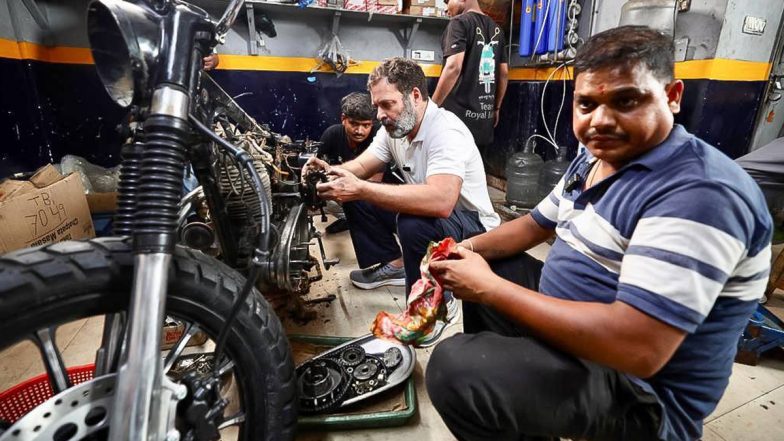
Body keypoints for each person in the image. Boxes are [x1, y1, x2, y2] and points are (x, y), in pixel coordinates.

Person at [425, 26, 772, 441]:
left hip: (641, 393)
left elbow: (639, 351)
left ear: (673, 96)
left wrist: (489, 290)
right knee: (490, 262)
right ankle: (527, 409)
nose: (601, 120)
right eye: (586, 104)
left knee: (455, 369)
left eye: (626, 100)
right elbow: (535, 225)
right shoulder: (594, 156)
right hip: (585, 334)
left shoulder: (700, 192)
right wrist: (463, 250)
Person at [304, 57, 500, 346]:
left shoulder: (446, 131)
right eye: (377, 107)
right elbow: (362, 167)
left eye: (387, 104)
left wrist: (360, 188)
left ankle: (435, 306)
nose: (380, 115)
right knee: (357, 195)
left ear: (415, 96)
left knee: (412, 222)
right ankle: (395, 265)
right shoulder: (394, 130)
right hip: (438, 216)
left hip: (474, 227)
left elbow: (442, 201)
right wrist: (331, 172)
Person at [431, 0, 509, 150]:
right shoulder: (497, 29)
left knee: (451, 170)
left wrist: (431, 108)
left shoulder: (459, 23)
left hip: (455, 125)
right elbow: (504, 73)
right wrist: (496, 108)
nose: (447, 9)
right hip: (484, 122)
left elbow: (453, 67)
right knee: (475, 170)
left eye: (448, 1)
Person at [317, 92, 382, 234]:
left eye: (366, 125)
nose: (360, 131)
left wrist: (349, 189)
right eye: (354, 124)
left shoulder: (379, 136)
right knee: (322, 197)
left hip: (371, 195)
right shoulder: (332, 134)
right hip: (344, 193)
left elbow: (377, 181)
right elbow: (318, 168)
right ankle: (348, 219)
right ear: (343, 119)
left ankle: (359, 219)